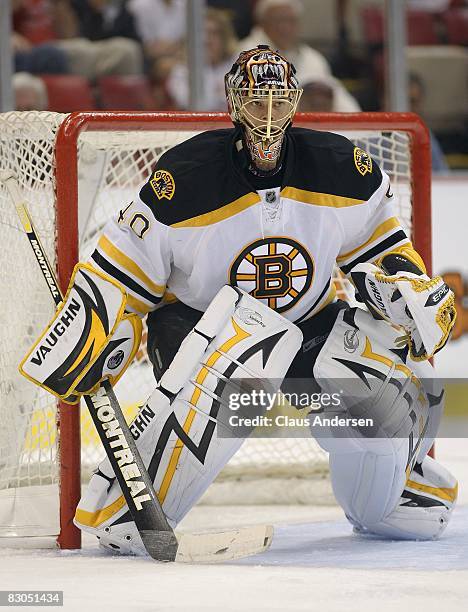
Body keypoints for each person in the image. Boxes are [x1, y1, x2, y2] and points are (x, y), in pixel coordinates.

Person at [23, 46, 457, 554]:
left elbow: (383, 249)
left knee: (392, 372)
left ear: (294, 103)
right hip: (201, 330)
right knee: (249, 345)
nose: (269, 116)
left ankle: (389, 499)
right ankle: (126, 510)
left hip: (307, 327)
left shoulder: (341, 167)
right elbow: (120, 266)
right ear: (234, 103)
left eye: (278, 101)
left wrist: (407, 293)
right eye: (257, 102)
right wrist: (93, 323)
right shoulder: (186, 177)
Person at [238, 0, 360, 112]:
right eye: (278, 20)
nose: (284, 27)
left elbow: (340, 99)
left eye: (290, 20)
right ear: (262, 23)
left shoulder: (313, 58)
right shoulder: (244, 54)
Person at [166, 8, 238, 111]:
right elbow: (192, 104)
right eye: (202, 33)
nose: (207, 40)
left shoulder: (239, 65)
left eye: (214, 33)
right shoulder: (182, 70)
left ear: (225, 37)